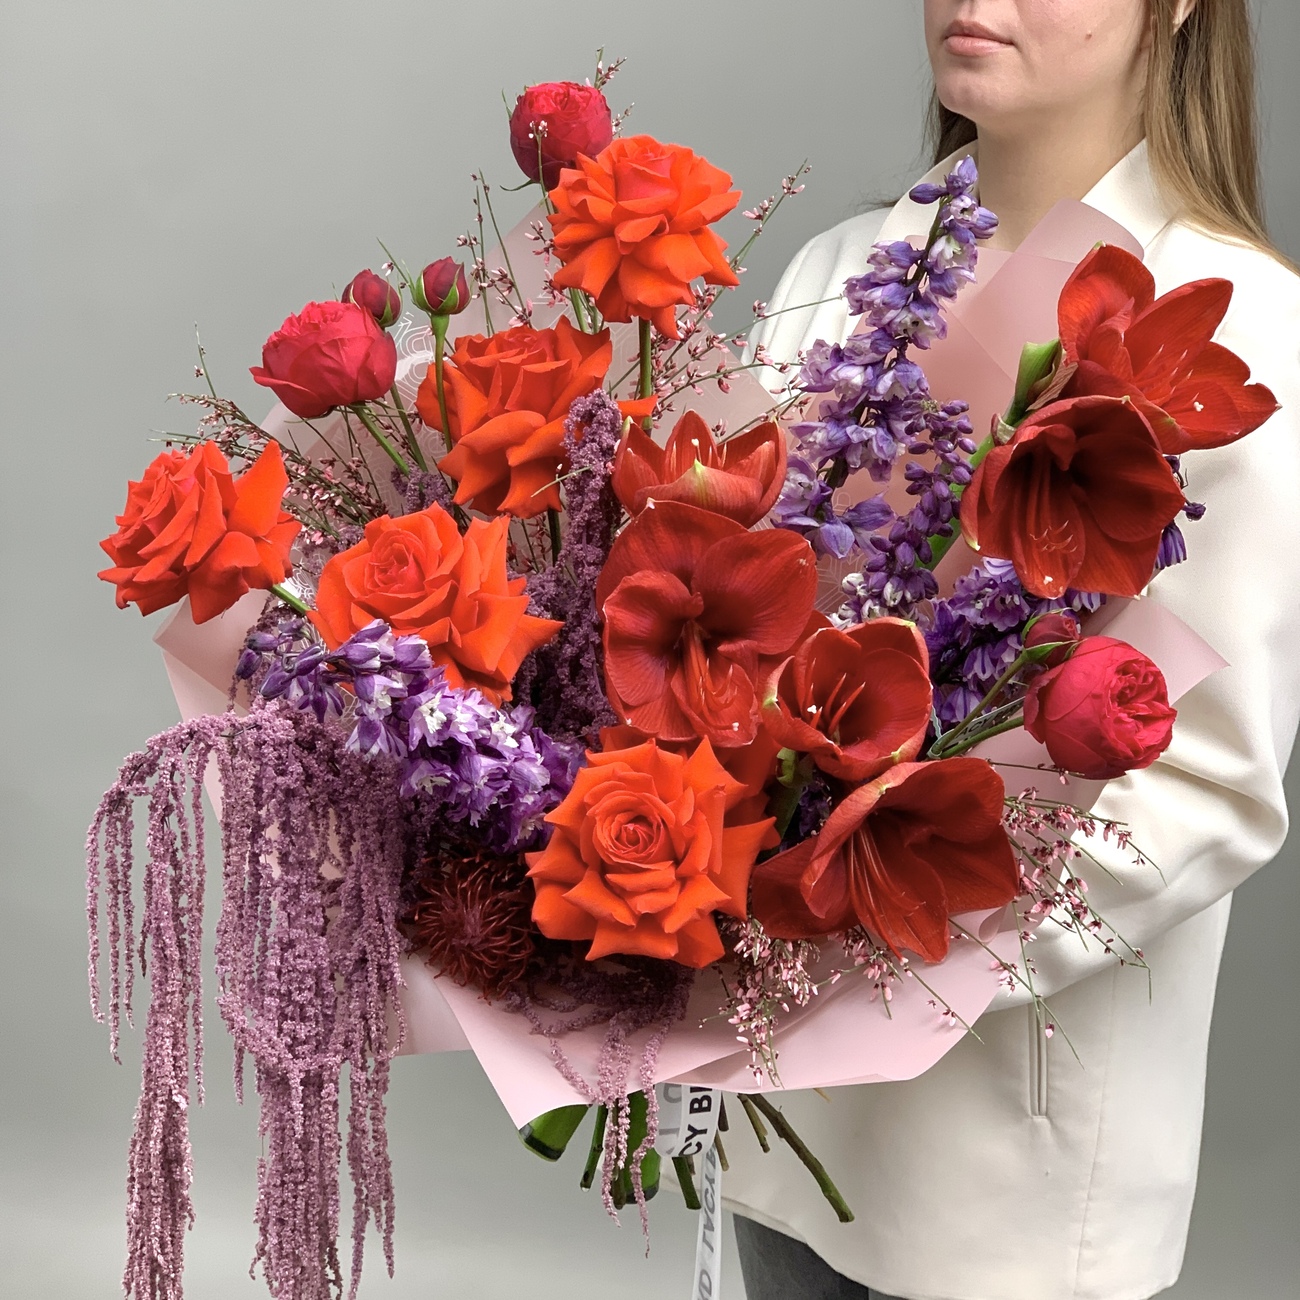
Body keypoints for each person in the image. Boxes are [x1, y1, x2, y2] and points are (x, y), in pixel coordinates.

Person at [728, 3, 1300, 1299]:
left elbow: (1206, 784)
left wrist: (869, 936)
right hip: (774, 1114)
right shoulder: (842, 273)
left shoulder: (1245, 328)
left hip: (1011, 1154)